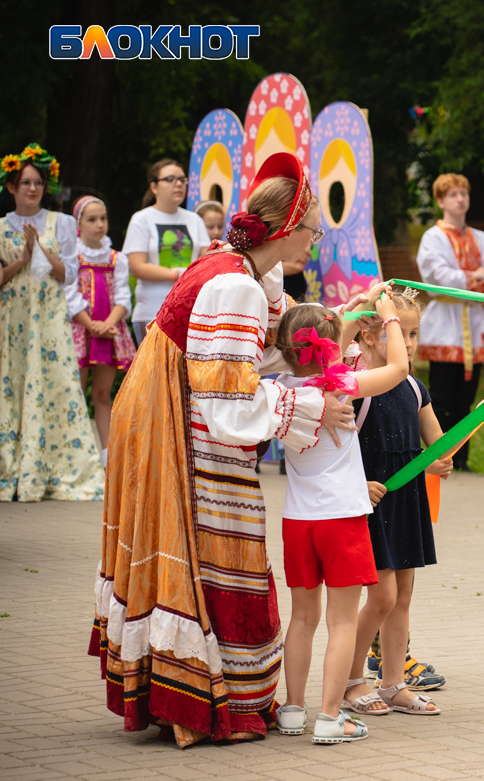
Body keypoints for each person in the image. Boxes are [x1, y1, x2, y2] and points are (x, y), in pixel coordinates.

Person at [91, 153, 357, 746]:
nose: (318, 238)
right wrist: (309, 409)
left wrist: (347, 321)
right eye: (314, 229)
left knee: (217, 539)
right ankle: (209, 696)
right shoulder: (235, 283)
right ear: (286, 231)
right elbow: (228, 402)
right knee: (216, 540)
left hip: (179, 406)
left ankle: (202, 690)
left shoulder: (244, 271)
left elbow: (259, 353)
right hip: (181, 423)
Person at [343, 285, 484, 717]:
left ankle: (393, 683)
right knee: (381, 597)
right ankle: (351, 681)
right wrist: (361, 484)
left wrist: (475, 423)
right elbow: (337, 449)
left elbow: (436, 448)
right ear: (370, 337)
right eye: (402, 334)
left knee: (403, 596)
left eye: (413, 335)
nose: (409, 344)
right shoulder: (360, 384)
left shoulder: (414, 387)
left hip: (406, 502)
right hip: (372, 501)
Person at [272, 295, 410, 744]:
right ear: (330, 349)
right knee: (342, 622)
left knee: (302, 619)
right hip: (341, 519)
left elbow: (329, 339)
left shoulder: (281, 389)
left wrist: (348, 314)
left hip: (298, 520)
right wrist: (390, 318)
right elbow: (399, 371)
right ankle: (331, 718)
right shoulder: (341, 385)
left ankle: (293, 710)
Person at [0, 144, 105, 502]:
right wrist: (22, 258)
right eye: (25, 182)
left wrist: (40, 251)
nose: (33, 189)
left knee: (53, 383)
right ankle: (12, 465)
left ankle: (51, 466)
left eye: (38, 183)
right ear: (11, 187)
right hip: (13, 315)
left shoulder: (59, 223)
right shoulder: (0, 227)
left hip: (48, 316)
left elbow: (68, 275)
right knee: (12, 384)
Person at [416, 173, 484, 471]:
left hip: (473, 322)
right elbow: (438, 279)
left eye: (463, 193)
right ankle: (439, 455)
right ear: (441, 200)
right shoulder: (433, 237)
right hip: (445, 323)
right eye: (453, 194)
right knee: (440, 397)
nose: (460, 199)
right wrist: (475, 276)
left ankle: (461, 458)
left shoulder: (480, 238)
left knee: (466, 400)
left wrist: (471, 279)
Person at [66, 196, 135, 467]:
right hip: (80, 330)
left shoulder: (118, 258)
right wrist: (89, 324)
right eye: (92, 220)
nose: (99, 225)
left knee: (103, 394)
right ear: (78, 225)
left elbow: (123, 298)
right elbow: (70, 295)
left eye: (103, 218)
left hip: (108, 330)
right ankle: (75, 453)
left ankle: (107, 455)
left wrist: (107, 324)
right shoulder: (72, 257)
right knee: (76, 392)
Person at [123, 158, 208, 343]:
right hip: (152, 312)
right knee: (153, 373)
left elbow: (206, 262)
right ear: (154, 187)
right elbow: (137, 267)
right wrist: (180, 274)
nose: (178, 184)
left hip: (191, 312)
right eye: (170, 179)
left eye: (182, 180)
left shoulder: (195, 220)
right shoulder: (141, 219)